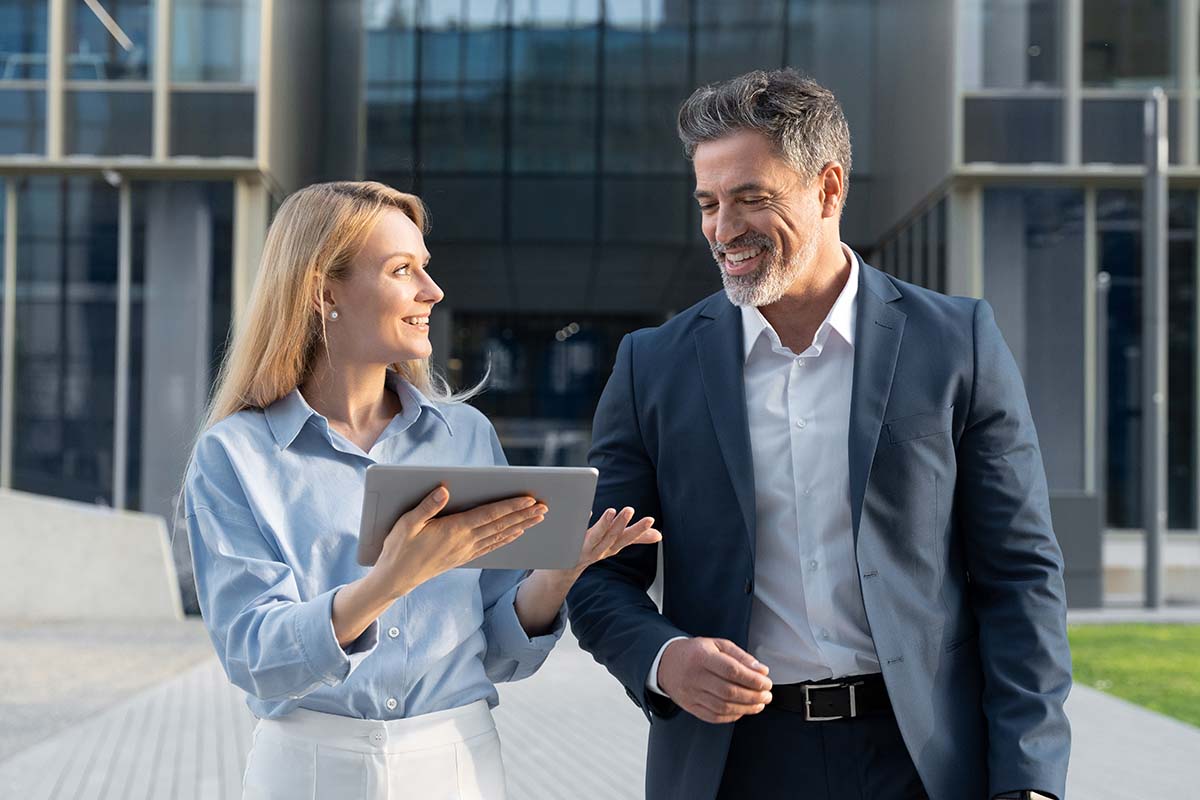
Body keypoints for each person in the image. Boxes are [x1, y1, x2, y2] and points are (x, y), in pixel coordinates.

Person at [567, 70, 1071, 800]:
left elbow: (1020, 577)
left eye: (751, 198)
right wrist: (663, 657)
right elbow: (597, 570)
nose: (722, 229)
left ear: (829, 188)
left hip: (923, 762)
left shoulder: (957, 342)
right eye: (708, 203)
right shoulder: (653, 366)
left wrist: (1029, 780)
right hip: (732, 764)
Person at [184, 180, 659, 800]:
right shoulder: (234, 456)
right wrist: (391, 580)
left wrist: (556, 576)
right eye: (402, 270)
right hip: (305, 771)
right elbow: (253, 656)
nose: (431, 292)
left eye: (425, 269)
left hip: (456, 767)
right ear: (325, 290)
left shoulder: (464, 435)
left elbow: (497, 650)